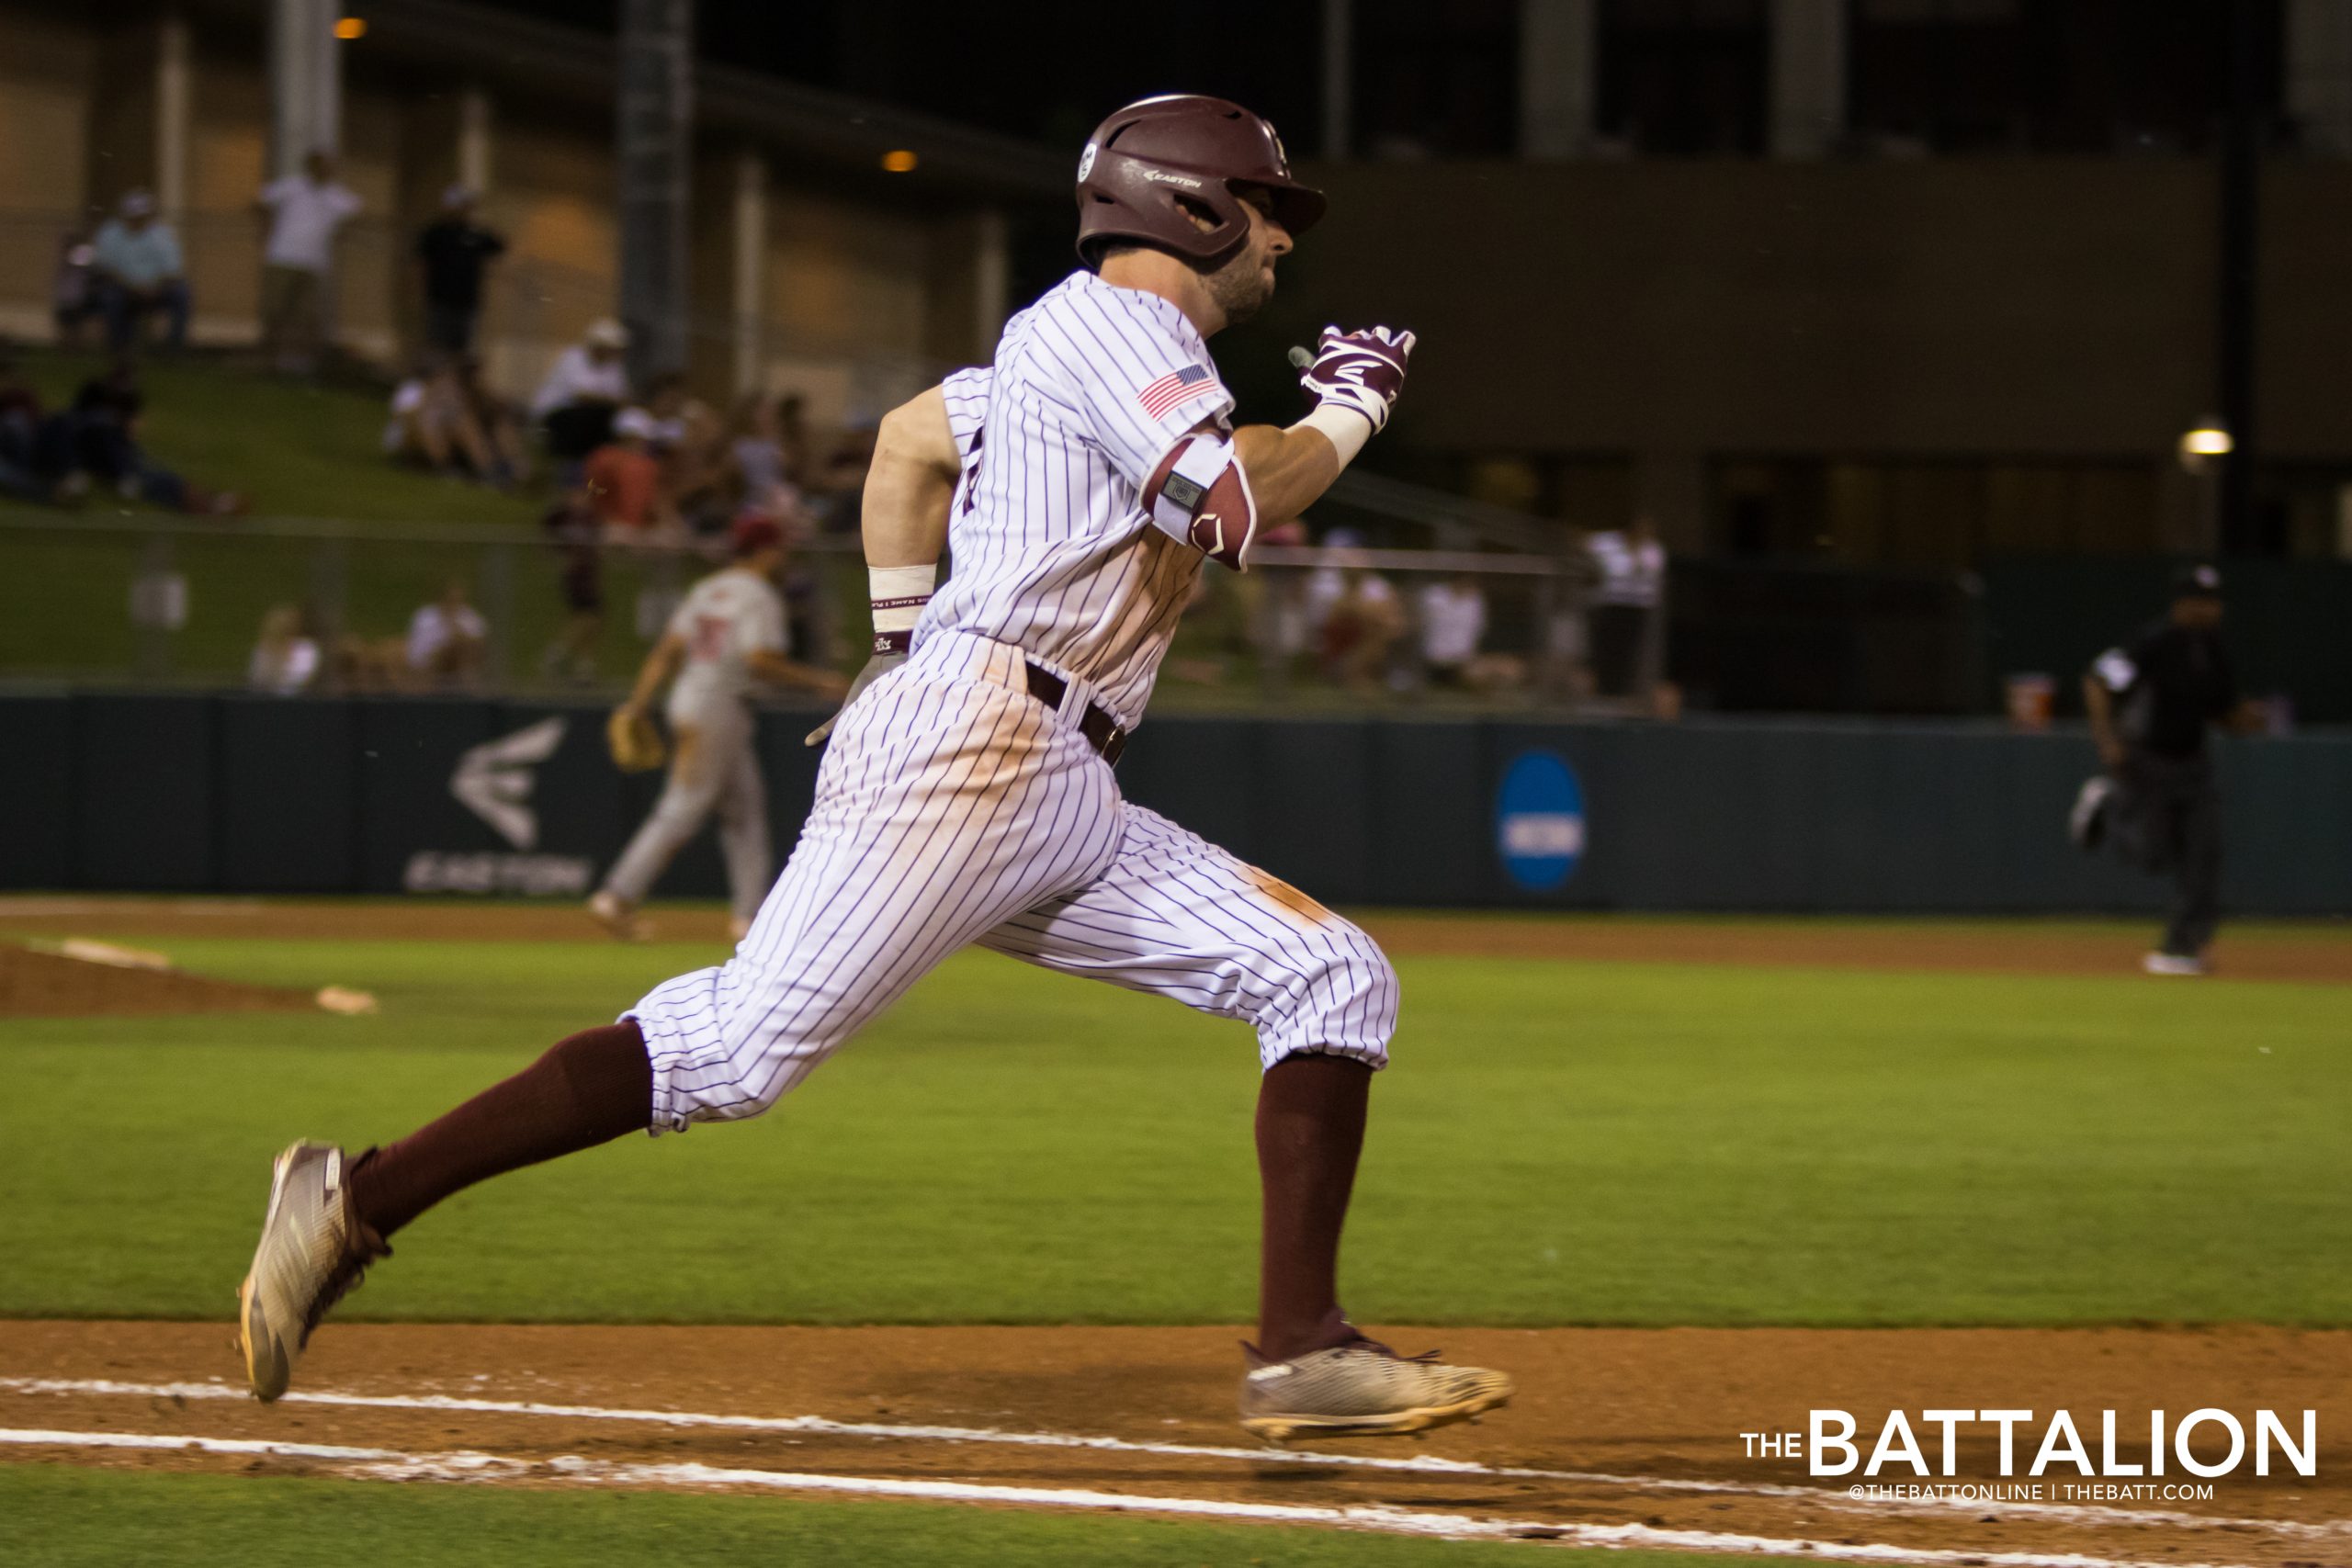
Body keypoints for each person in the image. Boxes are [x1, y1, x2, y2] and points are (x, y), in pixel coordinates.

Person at [232, 93, 1510, 1445]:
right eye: (1265, 208)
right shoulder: (1112, 323)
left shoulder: (1069, 356)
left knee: (1328, 971)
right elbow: (1235, 502)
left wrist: (900, 640)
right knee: (734, 1049)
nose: (1279, 242)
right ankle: (354, 1197)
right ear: (1189, 204)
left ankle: (1303, 1350)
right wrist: (1353, 406)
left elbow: (908, 439)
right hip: (989, 741)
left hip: (1048, 773)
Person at [588, 513, 847, 943]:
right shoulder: (760, 594)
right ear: (765, 551)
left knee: (745, 814)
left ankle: (750, 919)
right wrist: (823, 682)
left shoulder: (707, 589)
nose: (783, 557)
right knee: (684, 806)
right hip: (718, 708)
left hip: (691, 699)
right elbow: (759, 660)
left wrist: (638, 703)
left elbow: (667, 650)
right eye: (779, 549)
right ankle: (616, 895)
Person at [2070, 564, 2266, 976]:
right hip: (2147, 760)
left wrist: (2246, 719)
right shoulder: (2152, 641)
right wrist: (2109, 744)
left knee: (2203, 853)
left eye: (2214, 601)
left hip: (2193, 764)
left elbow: (2223, 711)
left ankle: (2182, 947)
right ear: (2183, 604)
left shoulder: (2213, 649)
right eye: (2202, 601)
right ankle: (2108, 800)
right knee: (2150, 852)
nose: (2211, 609)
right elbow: (2096, 681)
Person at [256, 151, 362, 373]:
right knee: (276, 309)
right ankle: (269, 357)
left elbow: (357, 211)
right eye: (323, 165)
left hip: (313, 264)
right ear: (311, 166)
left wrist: (338, 233)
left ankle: (296, 362)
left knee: (304, 315)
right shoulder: (292, 187)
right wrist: (266, 231)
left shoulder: (334, 195)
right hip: (283, 258)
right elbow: (260, 200)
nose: (328, 170)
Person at [91, 191, 190, 355]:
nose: (138, 221)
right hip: (122, 287)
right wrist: (132, 287)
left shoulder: (161, 234)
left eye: (141, 216)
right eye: (133, 216)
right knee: (110, 297)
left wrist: (154, 287)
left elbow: (173, 270)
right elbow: (105, 268)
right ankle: (118, 347)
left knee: (182, 293)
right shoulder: (110, 233)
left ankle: (173, 347)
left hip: (157, 288)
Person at [532, 319, 631, 475]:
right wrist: (610, 400)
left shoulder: (613, 366)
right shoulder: (573, 358)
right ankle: (573, 469)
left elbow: (620, 398)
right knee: (592, 418)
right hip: (558, 413)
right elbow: (582, 395)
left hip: (589, 416)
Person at [415, 186, 505, 355]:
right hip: (440, 299)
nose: (466, 210)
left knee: (464, 349)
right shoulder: (436, 233)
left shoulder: (475, 233)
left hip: (468, 301)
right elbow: (422, 262)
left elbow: (498, 246)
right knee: (438, 347)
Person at [1587, 514, 1666, 700]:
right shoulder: (1609, 543)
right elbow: (1587, 544)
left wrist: (1635, 554)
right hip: (1612, 604)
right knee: (1607, 647)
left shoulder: (1652, 550)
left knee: (1629, 650)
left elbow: (1647, 571)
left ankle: (1624, 691)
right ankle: (1603, 690)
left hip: (1637, 607)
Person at [403, 578, 488, 688]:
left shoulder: (468, 616)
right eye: (450, 599)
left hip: (460, 661)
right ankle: (466, 682)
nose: (454, 603)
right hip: (430, 661)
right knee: (457, 645)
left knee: (466, 645)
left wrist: (454, 625)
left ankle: (467, 680)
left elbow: (479, 642)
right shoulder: (426, 617)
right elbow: (418, 650)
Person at [248, 605, 322, 695]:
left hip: (292, 702)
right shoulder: (263, 649)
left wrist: (282, 656)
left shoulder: (306, 649)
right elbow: (256, 679)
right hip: (260, 700)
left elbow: (295, 683)